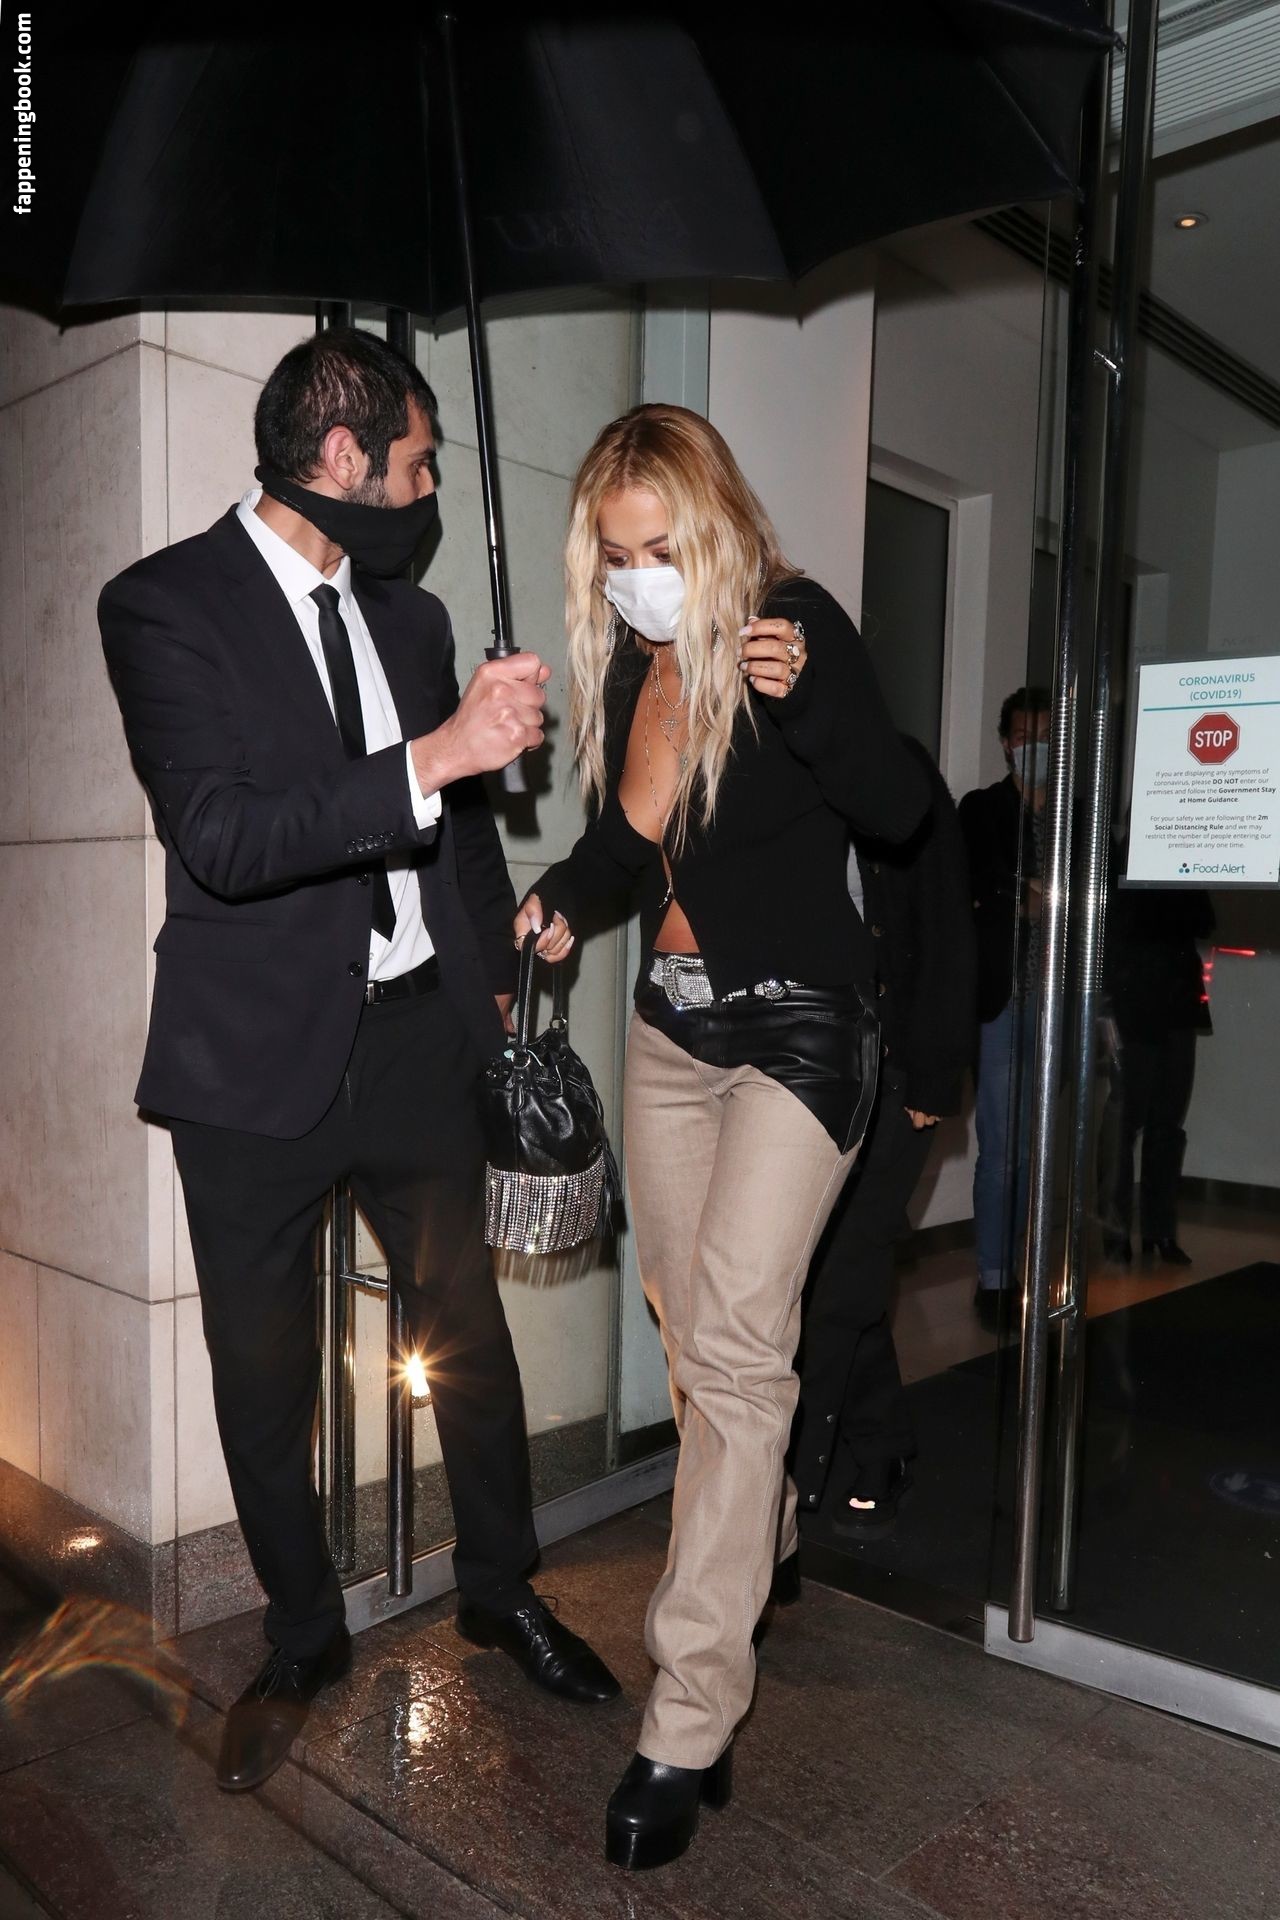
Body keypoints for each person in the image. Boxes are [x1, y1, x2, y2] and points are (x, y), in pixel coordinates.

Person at [98, 326, 619, 1796]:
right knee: (264, 1376)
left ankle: (501, 1589)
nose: (430, 488)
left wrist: (491, 981)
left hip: (414, 1040)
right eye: (418, 463)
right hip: (251, 1066)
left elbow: (457, 839)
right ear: (344, 459)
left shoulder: (413, 621)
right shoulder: (163, 604)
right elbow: (222, 836)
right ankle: (302, 1632)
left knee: (470, 1336)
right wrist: (437, 756)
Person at [515, 403, 929, 1870]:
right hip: (671, 1034)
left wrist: (813, 705)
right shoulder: (638, 664)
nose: (638, 577)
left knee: (743, 1352)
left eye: (660, 548)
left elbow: (899, 806)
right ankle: (767, 1537)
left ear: (714, 527)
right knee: (697, 1343)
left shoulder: (791, 630)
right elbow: (629, 848)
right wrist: (563, 898)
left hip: (802, 1035)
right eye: (616, 555)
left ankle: (688, 1718)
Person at [789, 739, 976, 1542]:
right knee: (834, 1278)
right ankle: (885, 1447)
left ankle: (791, 1485)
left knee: (841, 1279)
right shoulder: (778, 768)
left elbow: (946, 928)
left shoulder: (898, 772)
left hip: (896, 1071)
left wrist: (934, 1076)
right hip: (799, 1071)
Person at [958, 686, 1050, 1334]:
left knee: (1035, 1149)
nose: (1032, 747)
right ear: (1005, 743)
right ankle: (993, 1277)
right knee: (1001, 1148)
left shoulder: (1076, 816)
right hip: (1003, 1000)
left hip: (1059, 999)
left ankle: (1020, 1268)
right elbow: (977, 887)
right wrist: (1024, 898)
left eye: (1044, 737)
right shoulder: (983, 809)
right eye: (1022, 737)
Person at [1096, 854, 1213, 1268]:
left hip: (1174, 1002)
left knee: (1166, 1125)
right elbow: (1119, 925)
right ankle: (1118, 1232)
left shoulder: (1180, 856)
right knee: (1126, 1122)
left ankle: (1158, 1231)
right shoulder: (1125, 856)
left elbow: (1204, 919)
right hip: (1135, 1002)